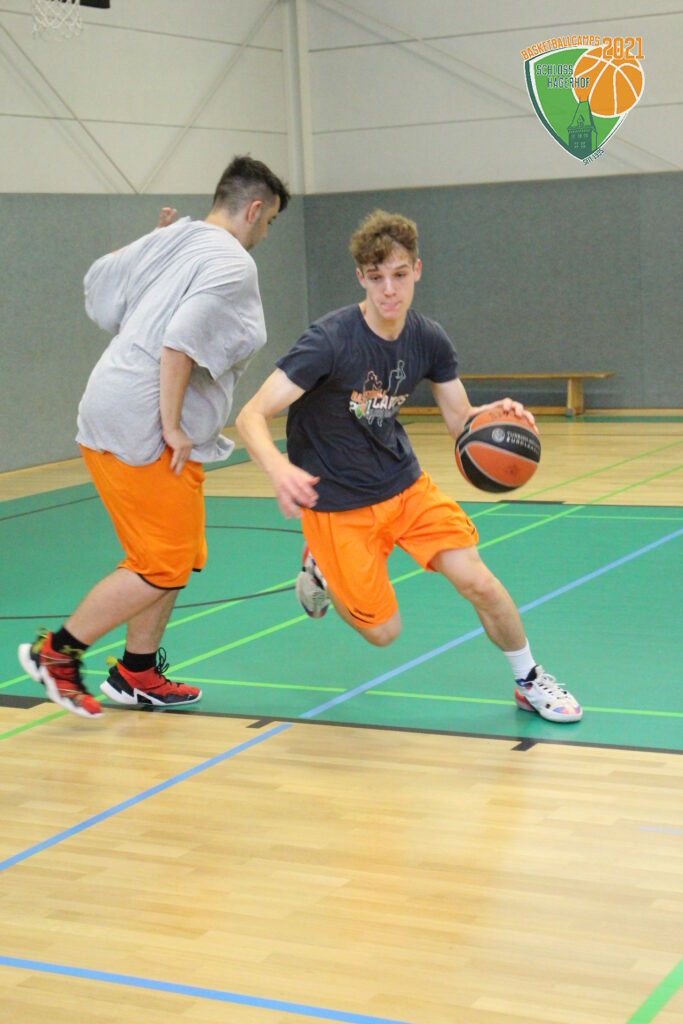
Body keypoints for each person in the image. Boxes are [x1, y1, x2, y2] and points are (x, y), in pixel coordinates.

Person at [235, 210, 582, 723]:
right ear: (361, 277)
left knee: (480, 582)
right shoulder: (329, 340)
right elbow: (250, 415)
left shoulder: (428, 339)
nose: (389, 290)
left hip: (404, 486)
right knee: (384, 632)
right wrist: (278, 468)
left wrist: (496, 414)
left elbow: (460, 420)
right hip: (338, 505)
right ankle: (322, 568)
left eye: (399, 275)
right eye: (376, 278)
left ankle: (529, 679)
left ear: (417, 270)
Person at [18, 155, 290, 719]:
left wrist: (156, 239)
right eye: (268, 222)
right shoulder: (233, 263)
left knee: (175, 555)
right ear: (254, 210)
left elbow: (103, 282)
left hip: (117, 405)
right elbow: (180, 341)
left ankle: (137, 673)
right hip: (140, 422)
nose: (265, 234)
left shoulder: (176, 237)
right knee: (161, 562)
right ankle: (58, 654)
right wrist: (170, 424)